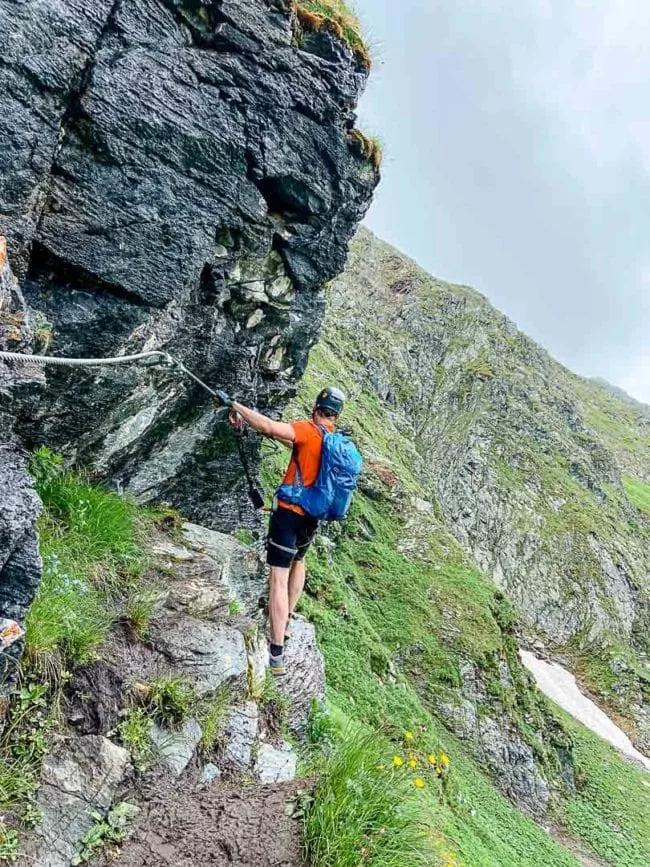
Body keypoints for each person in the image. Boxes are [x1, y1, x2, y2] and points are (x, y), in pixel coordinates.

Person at [215, 386, 346, 676]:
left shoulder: (306, 430)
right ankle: (285, 622)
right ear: (336, 416)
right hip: (312, 518)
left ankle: (276, 653)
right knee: (299, 561)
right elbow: (293, 445)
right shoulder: (332, 441)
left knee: (278, 578)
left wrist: (235, 404)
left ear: (315, 408)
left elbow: (270, 428)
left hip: (288, 515)